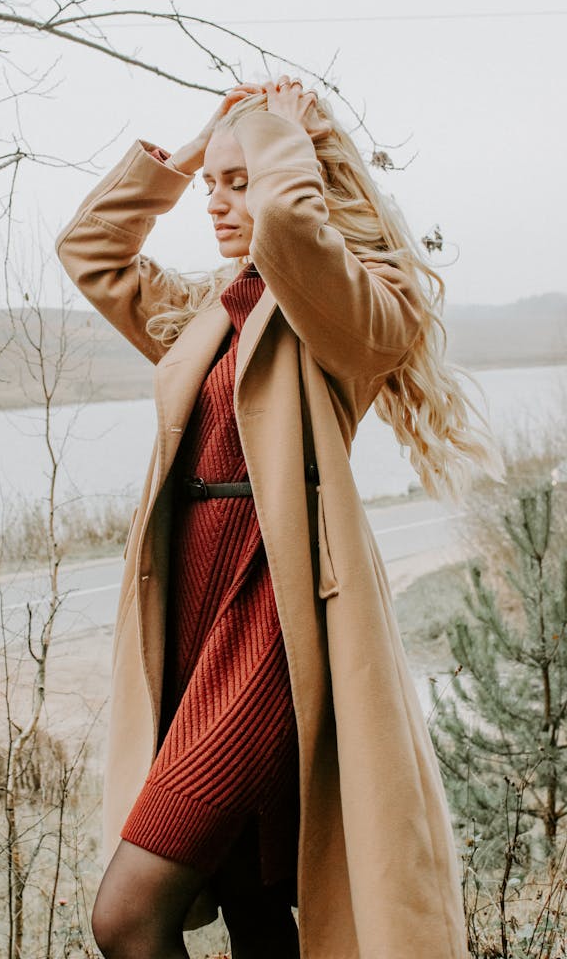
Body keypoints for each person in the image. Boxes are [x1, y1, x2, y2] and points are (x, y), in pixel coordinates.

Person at [56, 78, 497, 959]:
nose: (219, 202)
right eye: (213, 185)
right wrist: (198, 149)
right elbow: (92, 249)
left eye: (240, 181)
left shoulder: (350, 313)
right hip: (188, 615)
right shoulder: (208, 315)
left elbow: (296, 236)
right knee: (255, 909)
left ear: (295, 177)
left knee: (127, 916)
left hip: (271, 618)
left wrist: (279, 145)